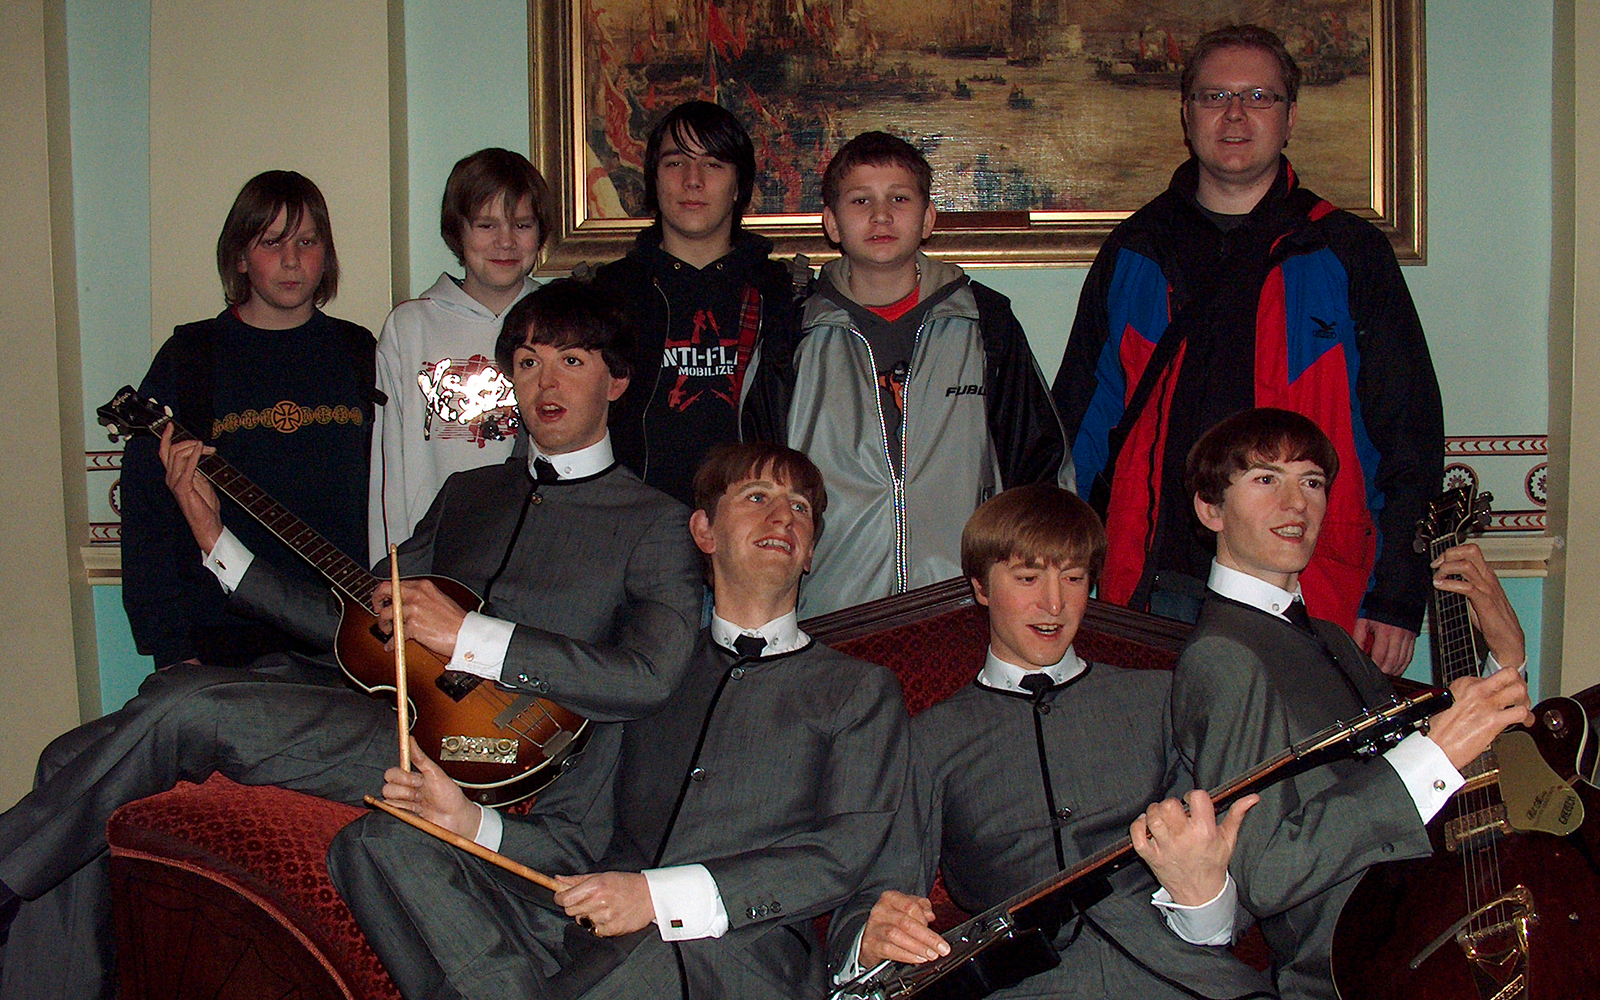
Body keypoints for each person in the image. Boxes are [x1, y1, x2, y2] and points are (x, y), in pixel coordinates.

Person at [0, 279, 702, 1000]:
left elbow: (648, 676)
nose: (545, 382)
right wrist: (215, 539)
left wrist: (473, 637)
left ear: (617, 380)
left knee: (190, 712)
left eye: (572, 361)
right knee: (75, 752)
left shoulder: (656, 523)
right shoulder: (469, 496)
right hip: (381, 717)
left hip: (488, 762)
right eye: (526, 362)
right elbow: (353, 617)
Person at [328, 442, 911, 999]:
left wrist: (655, 899)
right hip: (583, 934)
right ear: (703, 531)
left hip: (731, 952)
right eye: (757, 497)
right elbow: (575, 841)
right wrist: (469, 822)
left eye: (801, 509)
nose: (782, 517)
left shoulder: (859, 691)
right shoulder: (642, 676)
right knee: (378, 841)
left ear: (810, 553)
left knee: (650, 950)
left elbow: (841, 852)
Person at [1052, 24, 1443, 674]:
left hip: (1310, 585)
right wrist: (1059, 577)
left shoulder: (1347, 253)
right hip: (1156, 583)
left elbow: (1408, 438)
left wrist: (1398, 598)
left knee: (1309, 774)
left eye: (1258, 96)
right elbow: (1079, 433)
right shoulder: (1136, 251)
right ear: (1187, 114)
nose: (1235, 115)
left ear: (1289, 117)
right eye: (1214, 97)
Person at [828, 485, 1273, 1000]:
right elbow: (879, 892)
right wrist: (868, 939)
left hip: (1185, 977)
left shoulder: (1160, 699)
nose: (1055, 603)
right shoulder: (927, 739)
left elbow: (1226, 891)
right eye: (1028, 577)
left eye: (1074, 577)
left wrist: (1205, 901)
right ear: (981, 588)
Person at [1170, 407, 1532, 1000]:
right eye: (1266, 479)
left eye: (1312, 482)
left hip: (1437, 920)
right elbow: (1266, 871)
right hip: (1360, 965)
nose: (1296, 504)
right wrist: (1432, 754)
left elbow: (1444, 774)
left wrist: (1505, 656)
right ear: (1211, 509)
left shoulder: (1330, 638)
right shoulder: (1223, 656)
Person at [747, 130, 1071, 618]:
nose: (881, 216)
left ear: (928, 218)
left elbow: (1039, 465)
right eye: (861, 201)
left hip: (964, 606)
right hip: (830, 607)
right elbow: (753, 481)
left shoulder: (984, 321)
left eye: (899, 198)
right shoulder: (793, 334)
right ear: (832, 223)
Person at [121, 170, 376, 669]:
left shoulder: (359, 351)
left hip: (347, 635)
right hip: (221, 635)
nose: (291, 260)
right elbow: (146, 510)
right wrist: (171, 649)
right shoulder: (191, 357)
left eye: (307, 241)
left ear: (326, 255)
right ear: (239, 257)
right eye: (270, 242)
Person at [590, 100, 801, 507]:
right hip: (630, 529)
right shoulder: (605, 295)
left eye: (713, 164)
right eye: (675, 163)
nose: (692, 180)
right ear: (653, 179)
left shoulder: (785, 296)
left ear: (739, 185)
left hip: (755, 533)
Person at [368, 148, 553, 562]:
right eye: (486, 225)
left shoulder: (564, 322)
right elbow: (390, 467)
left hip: (538, 559)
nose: (505, 241)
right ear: (458, 232)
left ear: (539, 234)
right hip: (437, 557)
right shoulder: (410, 327)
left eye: (522, 225)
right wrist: (389, 572)